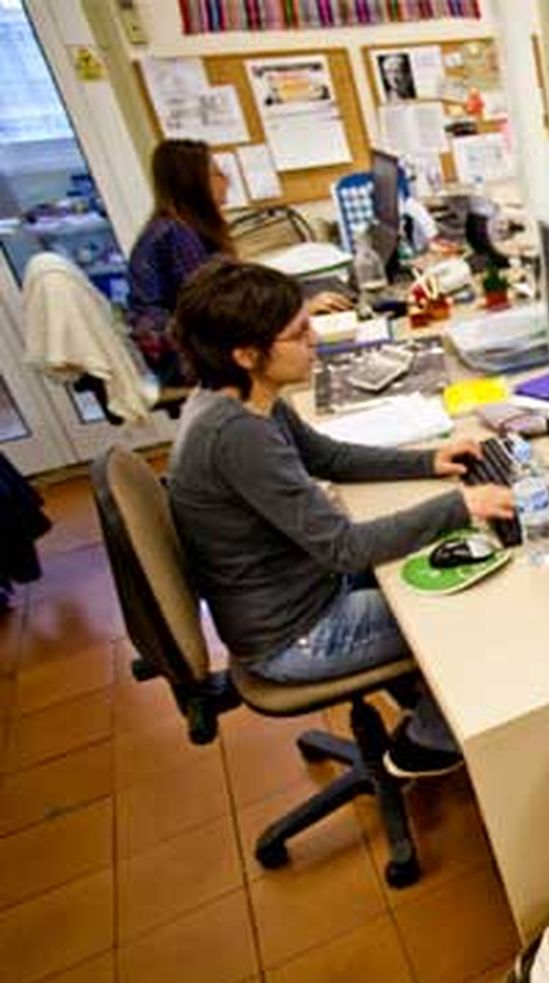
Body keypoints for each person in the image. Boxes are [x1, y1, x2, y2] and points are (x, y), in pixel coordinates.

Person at [165, 259, 515, 777]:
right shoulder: (237, 436)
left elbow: (327, 457)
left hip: (301, 588)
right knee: (466, 606)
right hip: (297, 635)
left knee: (434, 557)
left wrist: (427, 461)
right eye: (298, 333)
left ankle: (418, 694)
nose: (315, 340)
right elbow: (346, 549)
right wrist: (462, 504)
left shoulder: (240, 395)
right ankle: (428, 742)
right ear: (246, 354)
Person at [126, 139, 349, 386]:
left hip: (190, 347)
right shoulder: (178, 234)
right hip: (187, 359)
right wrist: (298, 311)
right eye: (217, 174)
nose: (227, 181)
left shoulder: (177, 226)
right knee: (299, 357)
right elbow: (220, 312)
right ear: (194, 183)